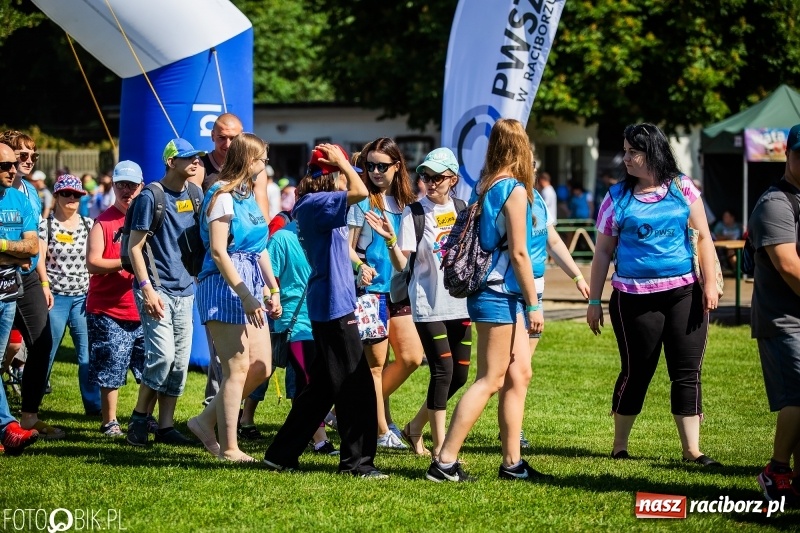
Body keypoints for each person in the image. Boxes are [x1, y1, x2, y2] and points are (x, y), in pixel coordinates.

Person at [587, 122, 721, 467]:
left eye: (634, 151)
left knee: (687, 372)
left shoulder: (683, 188)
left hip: (684, 294)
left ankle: (692, 451)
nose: (626, 158)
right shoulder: (616, 196)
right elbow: (602, 252)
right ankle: (620, 445)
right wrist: (594, 301)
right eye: (626, 151)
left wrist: (709, 283)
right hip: (632, 297)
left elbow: (704, 237)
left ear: (654, 153)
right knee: (637, 371)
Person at [426, 119, 552, 483]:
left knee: (518, 374)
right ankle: (445, 461)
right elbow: (519, 254)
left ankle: (512, 462)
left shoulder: (490, 184)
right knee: (490, 379)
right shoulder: (511, 189)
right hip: (499, 294)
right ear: (521, 148)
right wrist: (534, 304)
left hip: (498, 294)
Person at [263, 143, 386, 478]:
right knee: (355, 386)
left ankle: (280, 454)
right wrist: (343, 164)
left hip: (330, 304)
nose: (350, 176)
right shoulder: (318, 203)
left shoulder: (315, 204)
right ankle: (356, 464)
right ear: (330, 175)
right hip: (334, 308)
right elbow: (360, 190)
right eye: (342, 171)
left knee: (320, 389)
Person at [364, 147, 471, 458]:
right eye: (425, 176)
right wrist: (390, 240)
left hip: (460, 305)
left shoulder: (464, 209)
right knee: (442, 371)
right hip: (427, 304)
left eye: (437, 177)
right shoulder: (415, 212)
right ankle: (441, 450)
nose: (430, 182)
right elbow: (401, 264)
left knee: (460, 376)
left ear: (453, 179)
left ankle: (414, 428)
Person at [188, 133, 281, 462]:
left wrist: (272, 288)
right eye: (262, 159)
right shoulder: (222, 196)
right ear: (249, 160)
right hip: (224, 286)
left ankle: (204, 421)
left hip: (251, 283)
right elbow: (218, 250)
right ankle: (229, 448)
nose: (265, 165)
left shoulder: (249, 196)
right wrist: (244, 294)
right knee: (237, 368)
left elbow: (260, 247)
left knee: (261, 367)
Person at [125, 139, 203, 447]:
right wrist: (147, 290)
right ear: (171, 162)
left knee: (180, 363)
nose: (196, 162)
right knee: (162, 356)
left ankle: (166, 426)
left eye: (197, 157)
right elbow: (134, 247)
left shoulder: (196, 194)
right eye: (188, 158)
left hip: (186, 290)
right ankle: (139, 419)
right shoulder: (151, 196)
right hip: (155, 289)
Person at [348, 137, 423, 449]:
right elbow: (346, 248)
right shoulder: (362, 201)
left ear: (397, 166)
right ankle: (380, 431)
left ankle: (360, 410)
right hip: (370, 294)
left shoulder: (406, 204)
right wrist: (358, 267)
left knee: (411, 358)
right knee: (376, 366)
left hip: (401, 292)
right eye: (370, 166)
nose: (376, 171)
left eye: (382, 166)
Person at [749, 123, 800, 506]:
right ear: (788, 154)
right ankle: (775, 471)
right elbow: (788, 266)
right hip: (784, 318)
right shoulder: (775, 203)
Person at [0, 130, 59, 439]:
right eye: (21, 155)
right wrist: (16, 250)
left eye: (32, 155)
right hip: (5, 275)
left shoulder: (32, 193)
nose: (26, 161)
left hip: (29, 277)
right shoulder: (5, 191)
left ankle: (28, 416)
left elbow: (37, 243)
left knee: (43, 342)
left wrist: (45, 279)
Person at [86, 161, 149, 437]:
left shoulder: (147, 219)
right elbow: (92, 262)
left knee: (150, 367)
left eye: (132, 186)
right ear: (113, 186)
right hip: (109, 309)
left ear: (141, 187)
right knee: (111, 368)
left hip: (142, 308)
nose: (127, 191)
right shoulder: (104, 222)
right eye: (122, 185)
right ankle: (109, 420)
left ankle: (143, 417)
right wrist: (124, 263)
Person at [41, 175, 100, 416]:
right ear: (56, 196)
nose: (72, 198)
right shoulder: (45, 225)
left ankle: (94, 406)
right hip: (55, 297)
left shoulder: (89, 224)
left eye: (76, 195)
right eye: (66, 194)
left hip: (83, 299)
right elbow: (41, 261)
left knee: (87, 354)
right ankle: (33, 400)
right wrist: (44, 286)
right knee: (46, 351)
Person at [0, 142, 40, 455]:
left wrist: (3, 246)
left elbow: (32, 248)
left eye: (14, 164)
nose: (12, 170)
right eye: (5, 165)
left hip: (9, 292)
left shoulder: (19, 198)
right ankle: (7, 427)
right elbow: (21, 250)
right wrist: (15, 251)